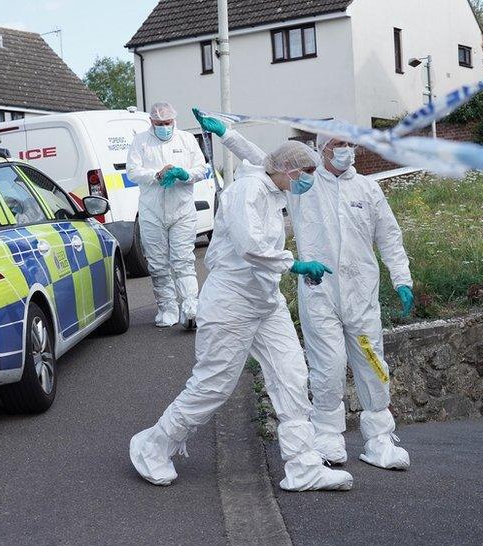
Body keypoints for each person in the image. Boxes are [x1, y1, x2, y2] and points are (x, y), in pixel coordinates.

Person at [194, 110, 414, 470]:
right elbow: (266, 161)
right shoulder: (304, 185)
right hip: (319, 292)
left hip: (361, 295)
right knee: (327, 366)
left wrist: (402, 278)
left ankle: (379, 438)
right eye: (339, 144)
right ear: (323, 149)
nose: (346, 150)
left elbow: (389, 236)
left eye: (350, 144)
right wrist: (228, 135)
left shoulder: (367, 189)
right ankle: (327, 435)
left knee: (372, 363)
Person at [129, 141, 353, 491]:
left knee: (291, 376)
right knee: (212, 385)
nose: (310, 178)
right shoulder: (247, 190)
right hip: (230, 301)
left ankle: (303, 465)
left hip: (265, 301)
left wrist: (290, 267)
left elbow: (265, 248)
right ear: (288, 169)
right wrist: (294, 263)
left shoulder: (275, 191)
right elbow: (252, 246)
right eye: (307, 172)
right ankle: (154, 446)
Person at [127, 102, 207, 329]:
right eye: (159, 123)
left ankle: (191, 307)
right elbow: (132, 171)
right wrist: (156, 174)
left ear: (174, 121)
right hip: (152, 212)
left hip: (182, 210)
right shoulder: (140, 141)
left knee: (183, 261)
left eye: (167, 123)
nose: (164, 127)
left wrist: (184, 174)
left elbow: (202, 169)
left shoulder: (186, 140)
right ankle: (167, 308)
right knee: (158, 263)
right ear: (151, 122)